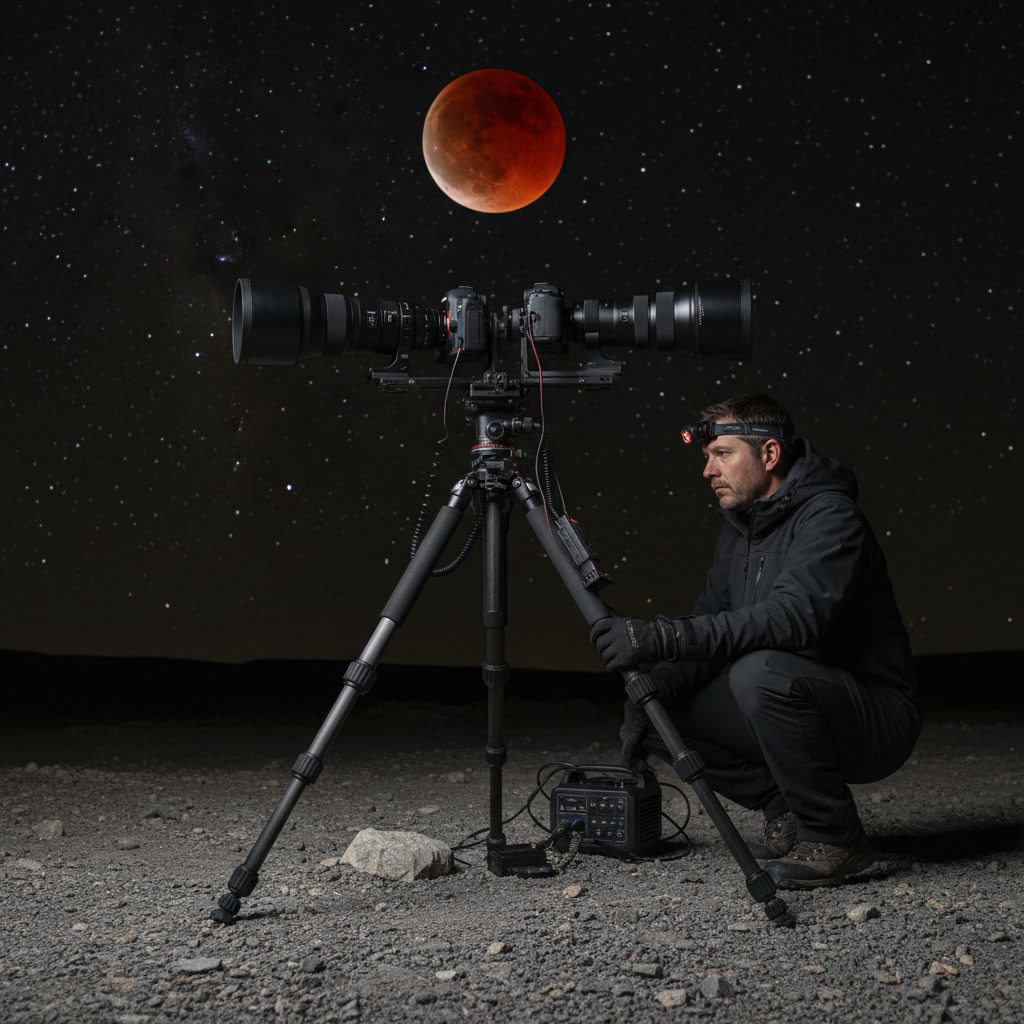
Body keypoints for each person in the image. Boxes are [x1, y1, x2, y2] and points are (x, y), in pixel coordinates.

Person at [590, 394, 921, 889]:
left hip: (874, 716)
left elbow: (793, 619)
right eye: (706, 457)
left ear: (769, 455)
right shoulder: (740, 531)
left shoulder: (830, 518)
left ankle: (836, 836)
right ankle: (783, 808)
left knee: (757, 671)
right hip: (790, 699)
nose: (707, 470)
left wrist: (659, 634)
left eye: (722, 454)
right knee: (658, 702)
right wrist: (648, 697)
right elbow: (710, 621)